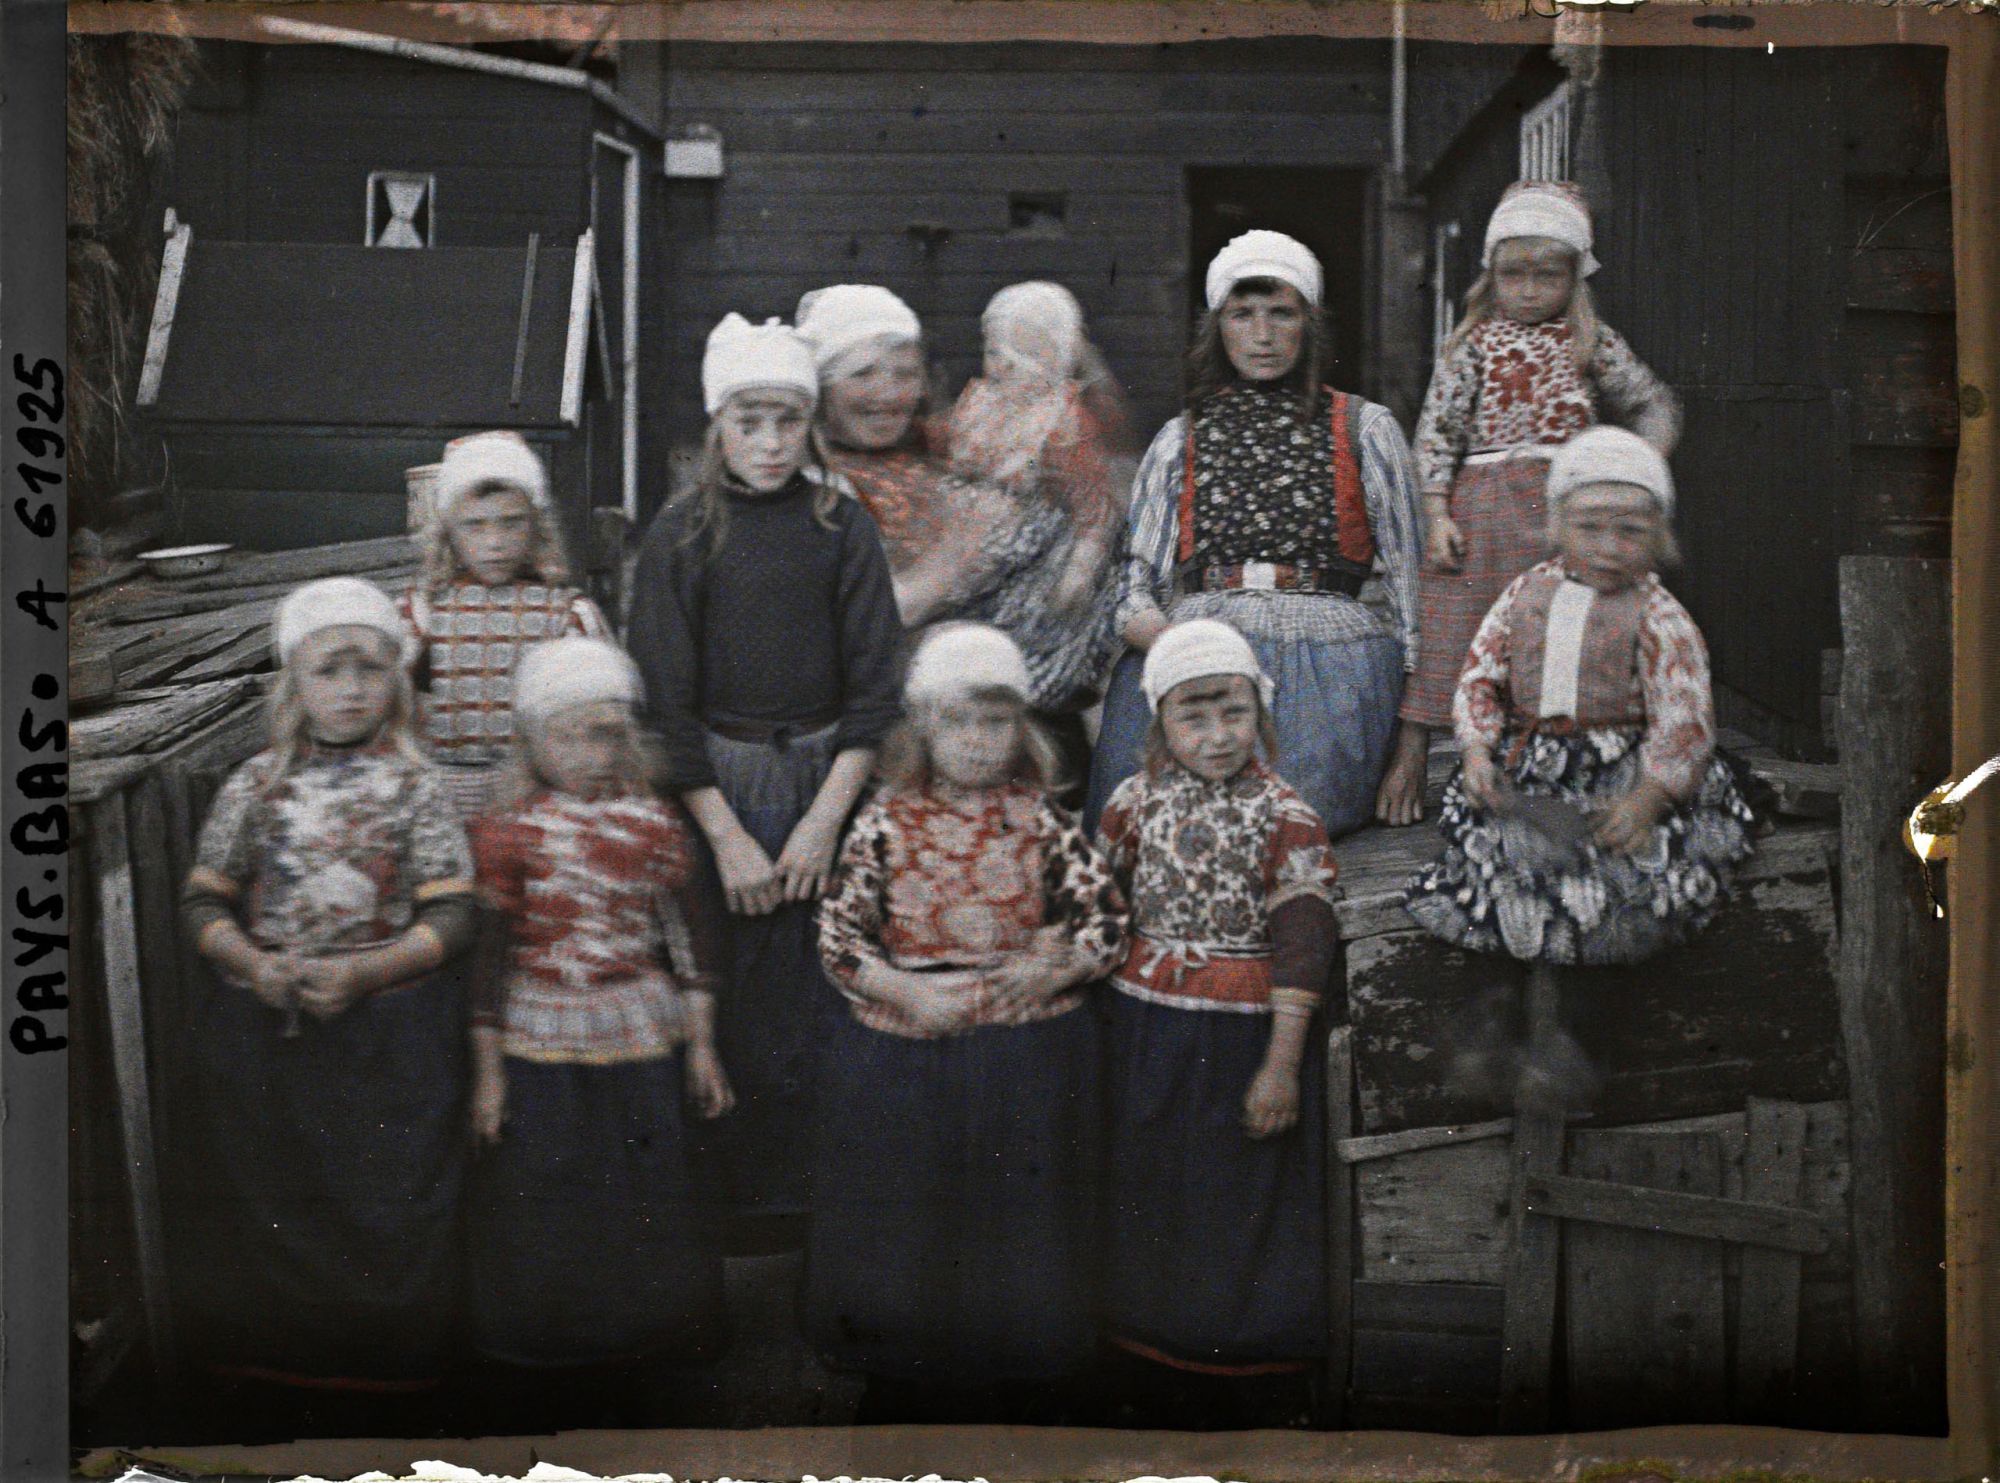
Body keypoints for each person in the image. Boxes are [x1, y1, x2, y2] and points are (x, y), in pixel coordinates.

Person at [626, 312, 903, 1236]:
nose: (771, 442)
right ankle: (733, 1203)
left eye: (788, 420)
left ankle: (823, 1202)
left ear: (811, 423)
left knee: (826, 977)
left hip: (829, 776)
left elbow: (874, 686)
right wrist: (729, 836)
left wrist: (826, 819)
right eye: (750, 421)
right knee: (729, 976)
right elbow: (665, 703)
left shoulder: (841, 527)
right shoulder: (681, 533)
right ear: (719, 425)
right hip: (721, 788)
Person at [807, 623, 1128, 1423]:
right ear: (922, 727)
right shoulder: (886, 818)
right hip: (912, 1052)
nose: (980, 743)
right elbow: (839, 937)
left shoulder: (1042, 817)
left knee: (1017, 1217)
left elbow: (1107, 920)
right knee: (911, 1218)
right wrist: (900, 990)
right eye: (959, 723)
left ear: (1022, 728)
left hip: (1022, 1050)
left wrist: (1054, 965)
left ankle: (1019, 1373)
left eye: (997, 722)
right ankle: (906, 1377)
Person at [179, 576, 476, 1432]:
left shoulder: (419, 788)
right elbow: (203, 901)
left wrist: (369, 971)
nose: (350, 688)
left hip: (389, 1033)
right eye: (329, 669)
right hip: (266, 1034)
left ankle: (393, 1391)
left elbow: (453, 914)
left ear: (398, 681)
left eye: (371, 669)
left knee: (388, 1202)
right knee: (273, 1202)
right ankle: (277, 1385)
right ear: (293, 684)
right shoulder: (255, 784)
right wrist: (252, 961)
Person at [1403, 428, 1754, 1100]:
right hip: (1533, 769)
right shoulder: (1522, 595)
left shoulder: (1658, 615)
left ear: (1658, 534)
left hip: (1620, 773)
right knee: (1496, 866)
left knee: (1612, 889)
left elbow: (1684, 715)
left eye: (1630, 530)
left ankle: (1571, 1048)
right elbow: (1480, 676)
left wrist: (1649, 797)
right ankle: (1487, 1029)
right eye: (1590, 527)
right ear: (1559, 522)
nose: (1608, 547)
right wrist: (1477, 749)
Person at [462, 636, 732, 1429]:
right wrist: (488, 1073)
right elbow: (488, 957)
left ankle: (645, 1344)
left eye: (609, 734)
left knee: (643, 1192)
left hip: (638, 1031)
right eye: (572, 735)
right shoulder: (507, 830)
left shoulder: (654, 823)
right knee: (547, 1189)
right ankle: (552, 1350)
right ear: (533, 742)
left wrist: (704, 1041)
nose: (592, 753)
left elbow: (694, 938)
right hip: (537, 1033)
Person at [1086, 229, 1422, 839]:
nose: (1262, 335)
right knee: (1139, 823)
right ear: (1218, 327)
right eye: (1242, 314)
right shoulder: (1180, 438)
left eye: (1282, 313)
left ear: (1310, 324)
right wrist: (1185, 651)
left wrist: (1413, 750)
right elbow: (1130, 589)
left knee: (1281, 827)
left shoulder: (1364, 429)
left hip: (1330, 665)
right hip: (1195, 649)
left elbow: (1414, 597)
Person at [1093, 618, 1341, 1429]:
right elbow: (1101, 914)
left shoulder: (1285, 814)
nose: (1217, 734)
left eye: (1232, 711)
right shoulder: (1131, 804)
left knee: (1239, 1198)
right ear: (1159, 720)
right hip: (1145, 1036)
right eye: (1192, 715)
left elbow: (1305, 946)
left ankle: (1245, 1376)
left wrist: (1279, 1065)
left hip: (1240, 1042)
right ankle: (1148, 1364)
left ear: (1260, 711)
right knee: (1150, 1193)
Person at [1379, 181, 1680, 826]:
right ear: (1491, 277)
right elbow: (1437, 430)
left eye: (1548, 274)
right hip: (1478, 502)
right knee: (1449, 620)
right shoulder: (1473, 344)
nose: (1530, 289)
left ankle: (1532, 755)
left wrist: (1638, 469)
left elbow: (1654, 403)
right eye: (1514, 274)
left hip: (1556, 512)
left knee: (1545, 622)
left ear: (1576, 275)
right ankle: (1412, 751)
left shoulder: (1590, 341)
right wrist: (1435, 513)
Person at [798, 281, 1126, 792]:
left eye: (904, 373)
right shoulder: (816, 483)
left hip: (1016, 703)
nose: (888, 392)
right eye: (863, 373)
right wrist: (964, 552)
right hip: (910, 733)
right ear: (820, 384)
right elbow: (882, 611)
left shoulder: (930, 447)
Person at [396, 430, 611, 820]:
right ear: (448, 532)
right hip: (438, 799)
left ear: (536, 526)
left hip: (539, 797)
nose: (495, 542)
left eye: (511, 523)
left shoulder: (568, 613)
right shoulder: (421, 611)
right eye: (475, 525)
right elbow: (393, 712)